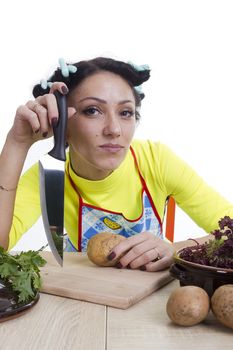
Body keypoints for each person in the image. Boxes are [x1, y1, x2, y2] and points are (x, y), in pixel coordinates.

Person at [0, 57, 233, 272]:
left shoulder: (156, 160)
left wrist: (176, 249)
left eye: (125, 112)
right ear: (62, 124)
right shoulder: (49, 177)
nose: (114, 129)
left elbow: (230, 230)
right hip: (83, 299)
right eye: (93, 111)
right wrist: (17, 143)